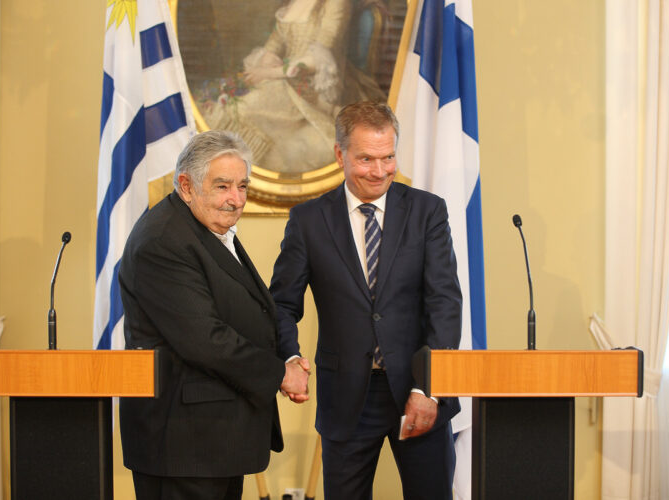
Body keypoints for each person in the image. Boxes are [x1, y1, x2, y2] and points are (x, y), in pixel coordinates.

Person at [269, 101, 462, 499]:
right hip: (347, 399)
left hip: (418, 390)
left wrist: (429, 389)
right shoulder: (308, 221)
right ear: (340, 154)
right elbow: (282, 304)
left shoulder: (427, 212)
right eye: (366, 159)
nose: (379, 171)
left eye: (388, 157)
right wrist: (289, 358)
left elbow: (444, 302)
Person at [118, 130, 310, 500]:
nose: (236, 199)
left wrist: (288, 354)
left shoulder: (204, 227)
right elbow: (205, 340)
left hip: (213, 442)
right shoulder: (163, 241)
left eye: (242, 186)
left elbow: (253, 309)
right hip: (182, 445)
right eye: (223, 186)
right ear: (186, 186)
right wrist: (279, 373)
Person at [201, 0, 385, 174]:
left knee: (247, 107)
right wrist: (265, 62)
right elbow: (274, 45)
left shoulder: (335, 3)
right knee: (233, 103)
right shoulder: (292, 3)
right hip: (284, 77)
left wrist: (269, 73)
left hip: (317, 86)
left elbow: (319, 58)